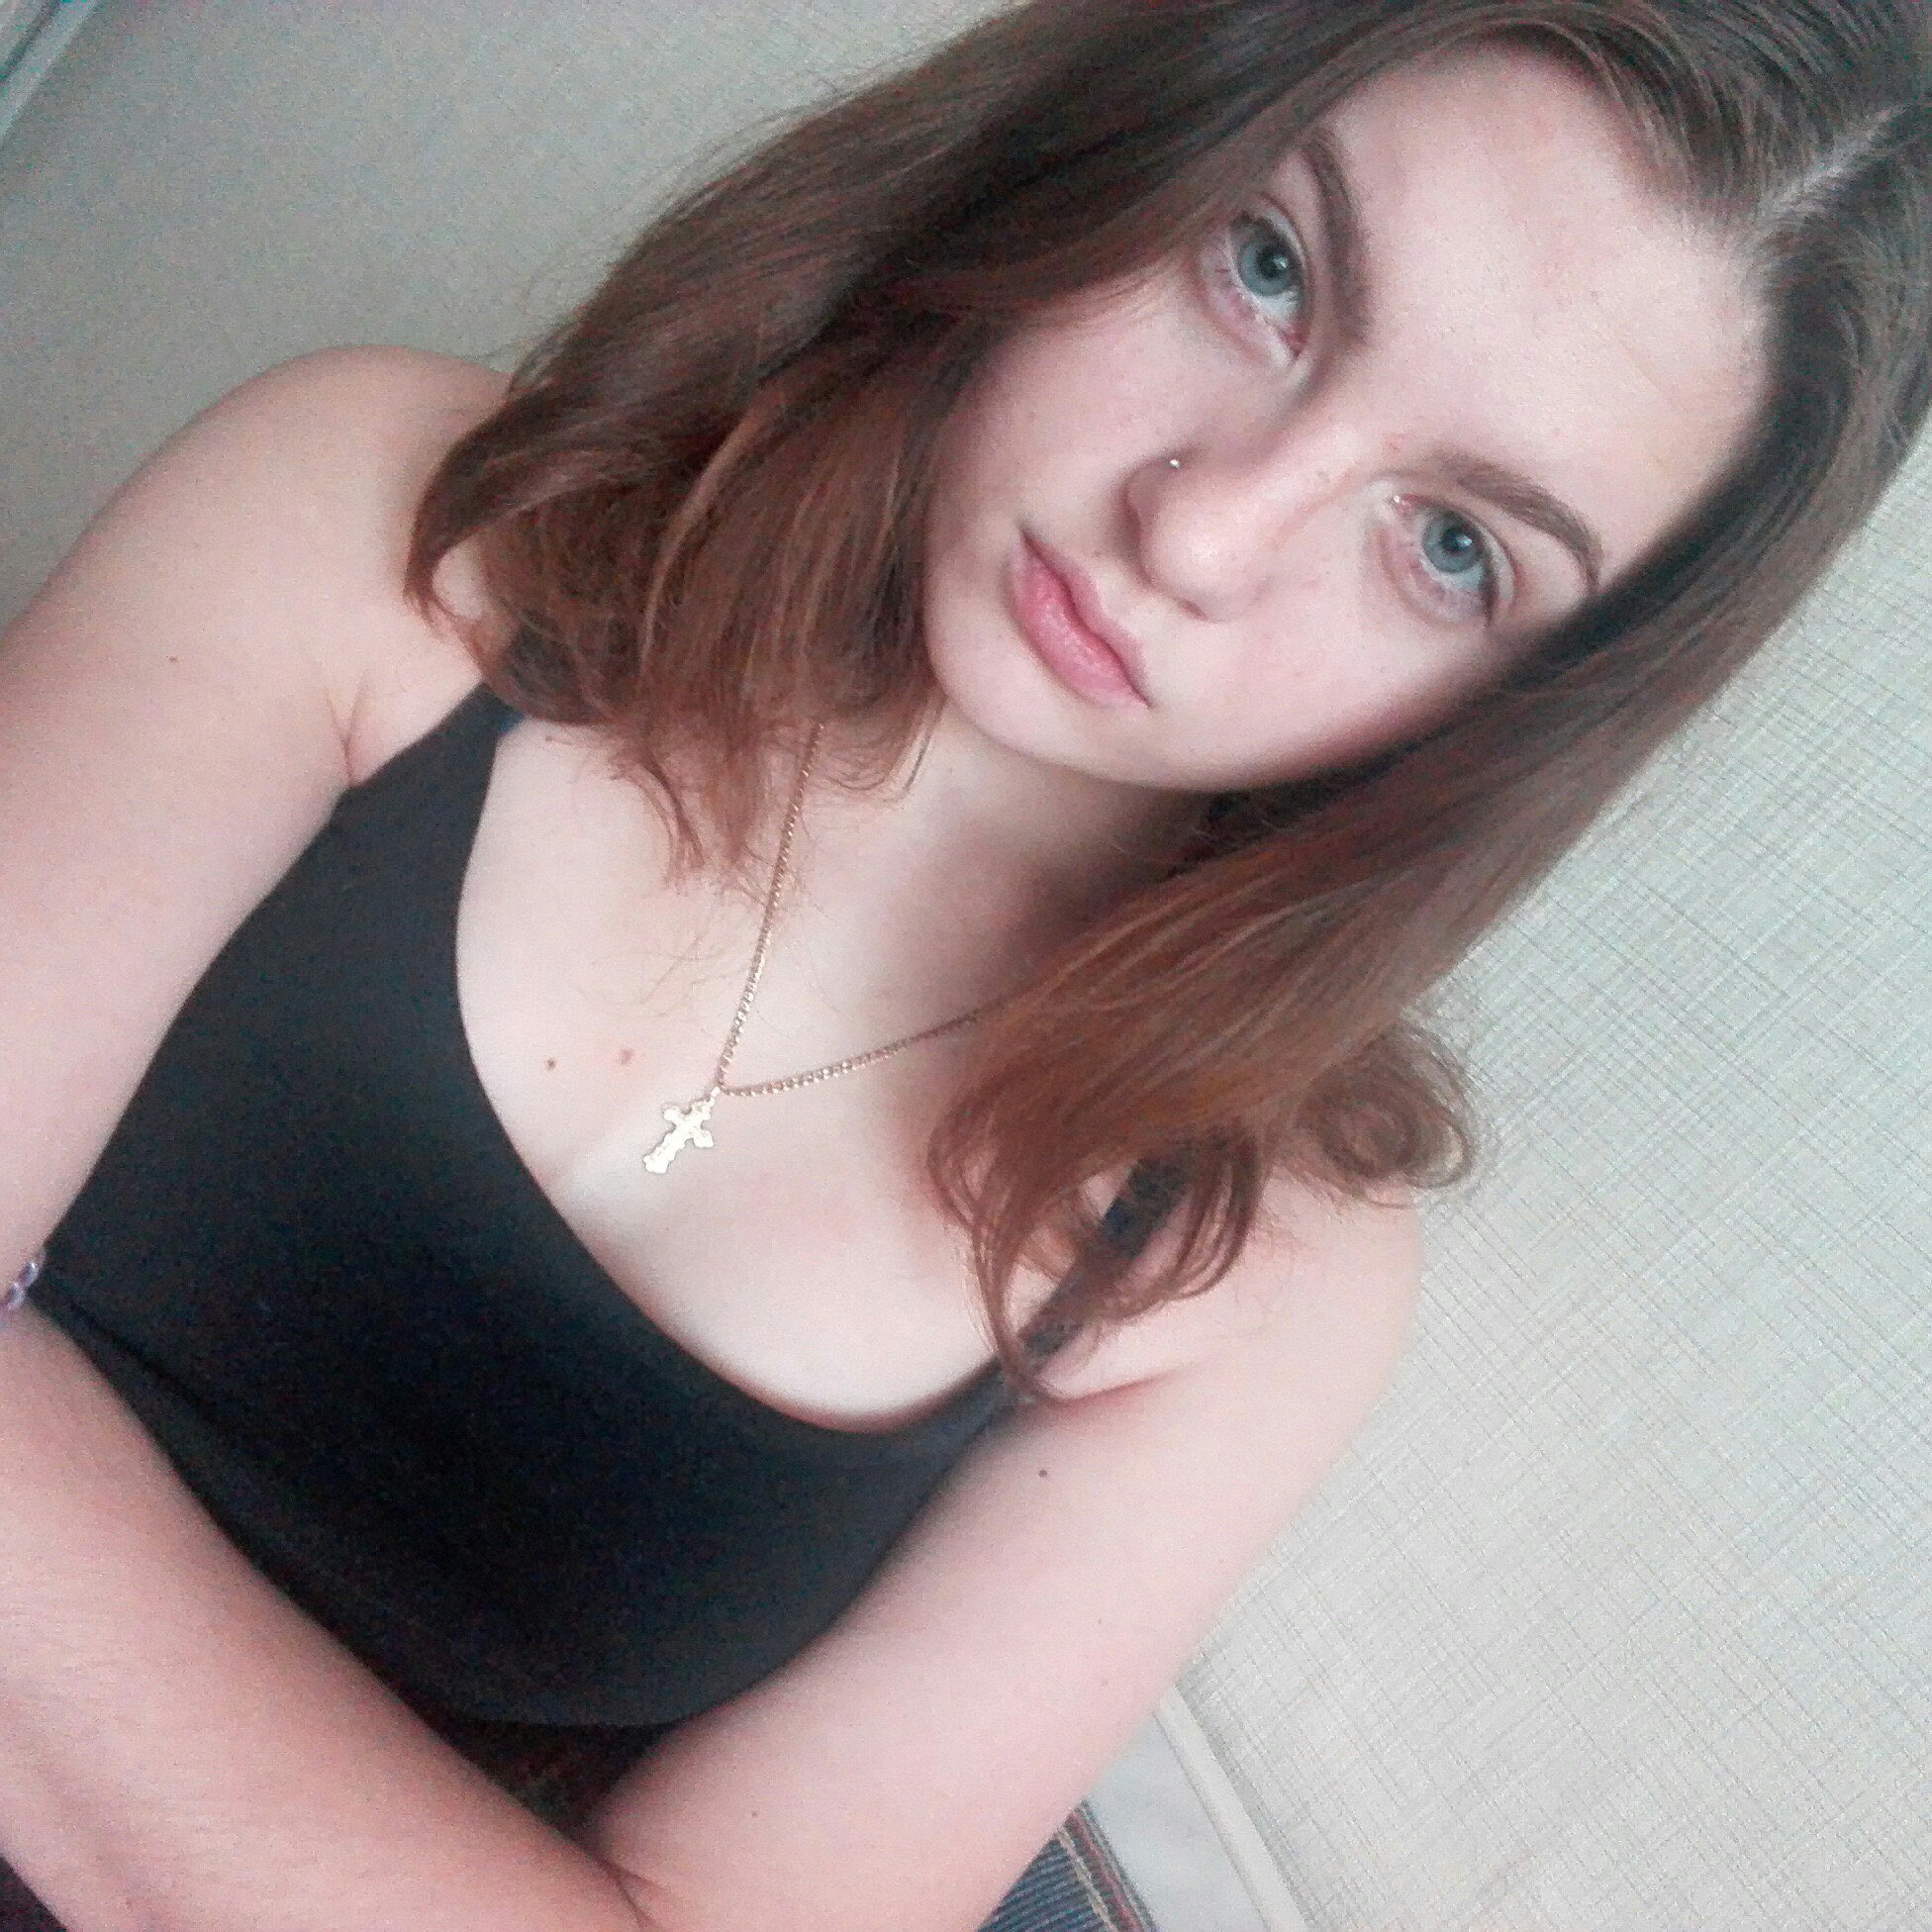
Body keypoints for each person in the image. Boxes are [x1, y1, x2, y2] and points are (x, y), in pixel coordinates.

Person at [1, 1, 1927, 1927]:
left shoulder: (1245, 1276)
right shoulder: (399, 517)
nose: (1202, 529)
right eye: (1269, 268)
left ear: (1527, 707)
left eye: (1447, 549)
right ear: (1129, 139)